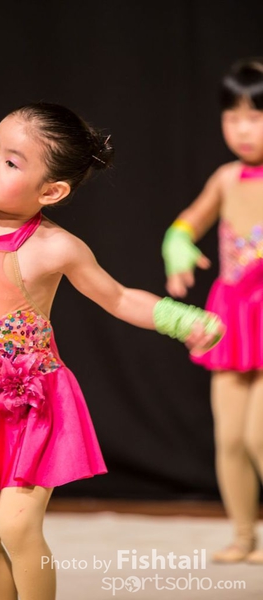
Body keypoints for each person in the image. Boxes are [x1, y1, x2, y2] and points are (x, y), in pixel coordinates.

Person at [0, 102, 222, 600]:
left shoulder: (55, 248)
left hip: (32, 404)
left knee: (16, 526)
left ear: (51, 191)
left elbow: (118, 297)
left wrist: (179, 319)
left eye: (12, 162)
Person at [161, 58, 263, 565]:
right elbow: (189, 222)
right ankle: (243, 535)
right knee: (230, 437)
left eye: (256, 116)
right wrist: (177, 244)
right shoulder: (226, 178)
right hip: (234, 315)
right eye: (232, 116)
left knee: (259, 434)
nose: (242, 129)